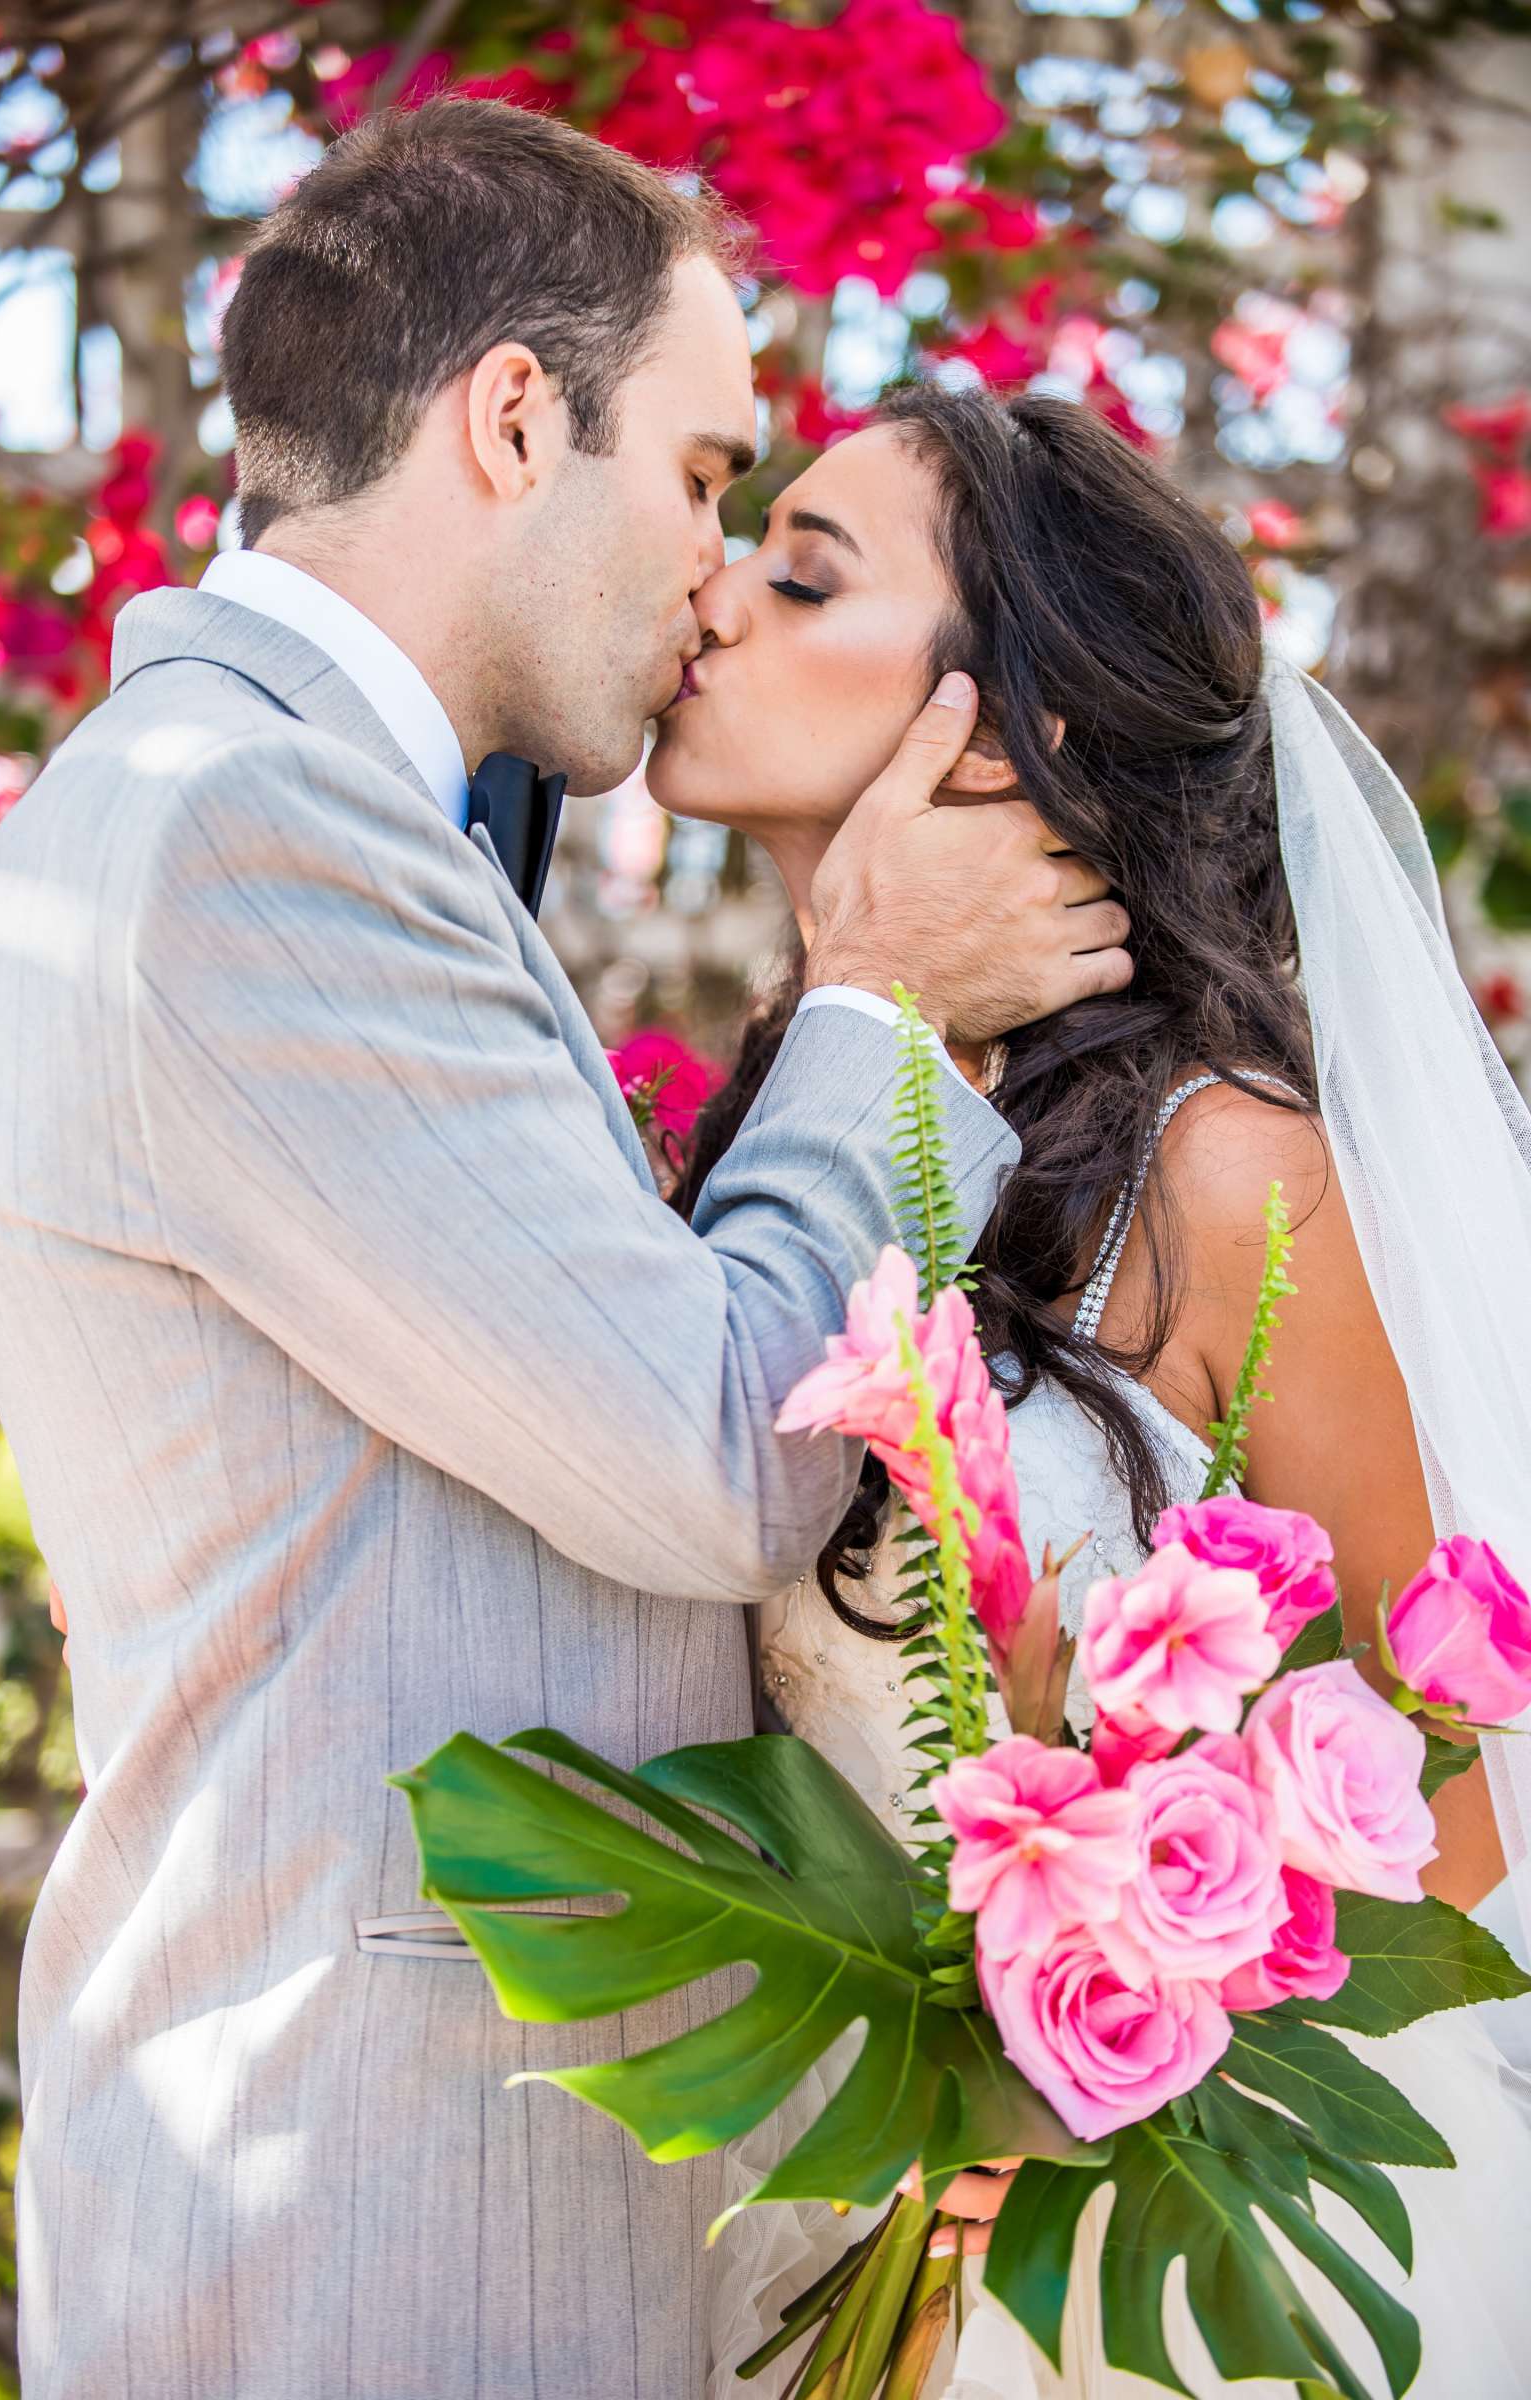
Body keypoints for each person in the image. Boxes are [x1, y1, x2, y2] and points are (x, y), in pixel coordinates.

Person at [0, 108, 1135, 2400]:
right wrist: (878, 1004)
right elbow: (709, 1449)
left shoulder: (277, 812)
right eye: (702, 480)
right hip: (382, 2229)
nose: (710, 579)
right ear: (510, 418)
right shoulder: (240, 825)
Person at [648, 384, 1531, 2398]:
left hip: (1161, 2268)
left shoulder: (1224, 1176)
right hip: (815, 2208)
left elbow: (1445, 1809)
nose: (712, 601)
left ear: (1019, 725)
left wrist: (1060, 2067)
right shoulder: (792, 1150)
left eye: (801, 578)